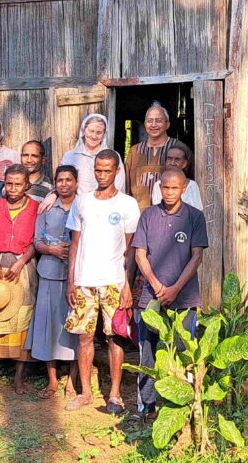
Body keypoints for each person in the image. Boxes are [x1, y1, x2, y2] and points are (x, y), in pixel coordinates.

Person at [63, 149, 140, 413]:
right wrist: (70, 281)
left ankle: (115, 395)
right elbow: (74, 244)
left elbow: (131, 250)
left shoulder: (127, 204)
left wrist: (127, 284)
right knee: (84, 337)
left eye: (108, 170)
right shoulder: (82, 201)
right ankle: (85, 393)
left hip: (114, 282)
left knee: (114, 337)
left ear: (117, 171)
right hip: (84, 280)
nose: (102, 174)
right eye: (98, 169)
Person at [133, 167, 208, 421]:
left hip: (184, 298)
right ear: (160, 188)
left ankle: (180, 408)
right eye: (165, 187)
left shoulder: (195, 217)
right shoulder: (148, 216)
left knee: (183, 350)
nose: (169, 192)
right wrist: (156, 285)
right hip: (151, 297)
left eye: (174, 188)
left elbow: (196, 256)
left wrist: (175, 288)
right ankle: (147, 407)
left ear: (184, 189)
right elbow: (140, 254)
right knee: (148, 351)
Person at [0, 164, 39, 395]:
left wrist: (21, 261)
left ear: (27, 185)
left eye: (18, 184)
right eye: (9, 183)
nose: (13, 188)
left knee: (22, 317)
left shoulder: (36, 208)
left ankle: (18, 378)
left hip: (22, 265)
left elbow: (36, 240)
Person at [26, 164, 80, 399]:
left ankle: (73, 380)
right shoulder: (47, 208)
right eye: (60, 180)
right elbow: (37, 241)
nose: (64, 184)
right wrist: (52, 249)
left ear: (76, 182)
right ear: (55, 183)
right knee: (49, 327)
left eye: (69, 180)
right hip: (49, 271)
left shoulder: (85, 205)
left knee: (76, 327)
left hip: (78, 275)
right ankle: (52, 381)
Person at [124, 102, 179, 212]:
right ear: (145, 124)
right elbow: (126, 187)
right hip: (139, 216)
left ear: (167, 124)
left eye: (158, 121)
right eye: (149, 121)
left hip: (169, 217)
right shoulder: (134, 152)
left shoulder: (179, 149)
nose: (153, 125)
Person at [150, 142, 204, 212]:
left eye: (177, 159)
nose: (172, 163)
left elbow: (198, 212)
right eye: (169, 159)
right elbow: (158, 211)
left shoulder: (192, 186)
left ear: (184, 164)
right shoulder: (158, 185)